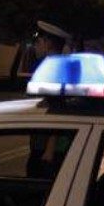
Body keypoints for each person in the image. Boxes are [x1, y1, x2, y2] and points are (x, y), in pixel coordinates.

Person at [27, 20, 73, 178]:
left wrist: (49, 150)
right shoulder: (55, 66)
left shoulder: (53, 69)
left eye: (38, 42)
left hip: (50, 148)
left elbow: (59, 108)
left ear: (47, 44)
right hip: (47, 144)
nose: (35, 47)